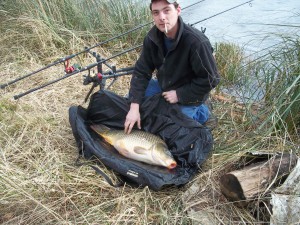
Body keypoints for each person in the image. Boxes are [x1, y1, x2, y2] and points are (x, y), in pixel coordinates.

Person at [124, 0, 220, 134]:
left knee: (173, 127)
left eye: (166, 10)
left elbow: (211, 79)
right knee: (131, 99)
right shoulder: (152, 38)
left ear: (178, 10)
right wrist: (134, 107)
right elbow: (141, 71)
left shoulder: (197, 42)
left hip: (189, 93)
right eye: (156, 13)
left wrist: (180, 94)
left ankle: (201, 112)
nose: (162, 17)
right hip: (164, 86)